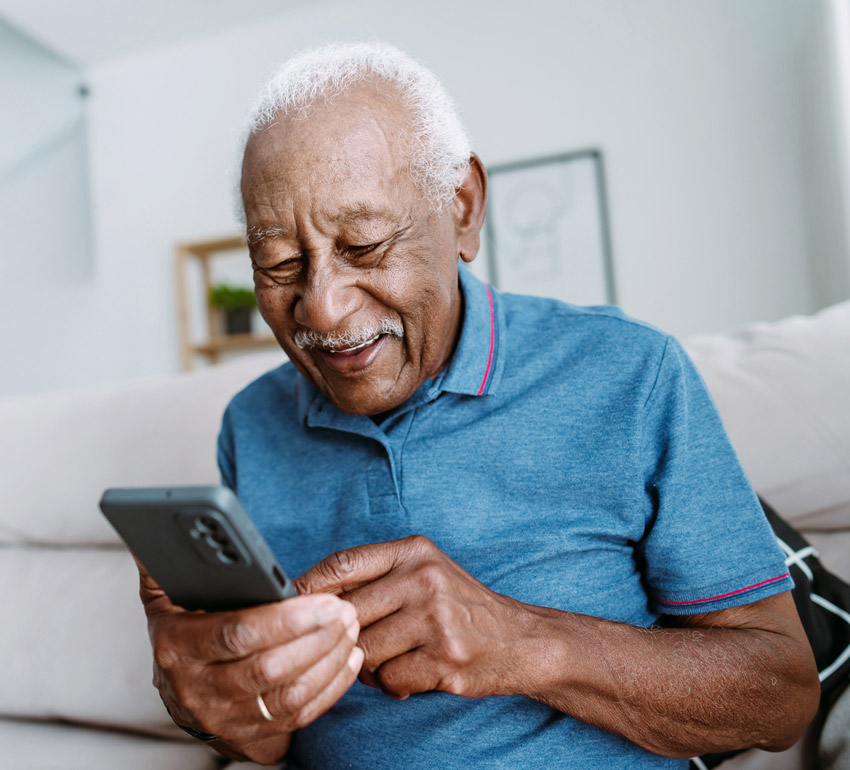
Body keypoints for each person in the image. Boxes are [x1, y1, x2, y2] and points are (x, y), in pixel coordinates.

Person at [139, 42, 820, 769]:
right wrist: (212, 700)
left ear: (462, 208)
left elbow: (781, 696)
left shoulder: (631, 374)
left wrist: (521, 641)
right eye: (278, 265)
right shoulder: (250, 427)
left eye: (364, 246)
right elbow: (269, 738)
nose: (324, 310)